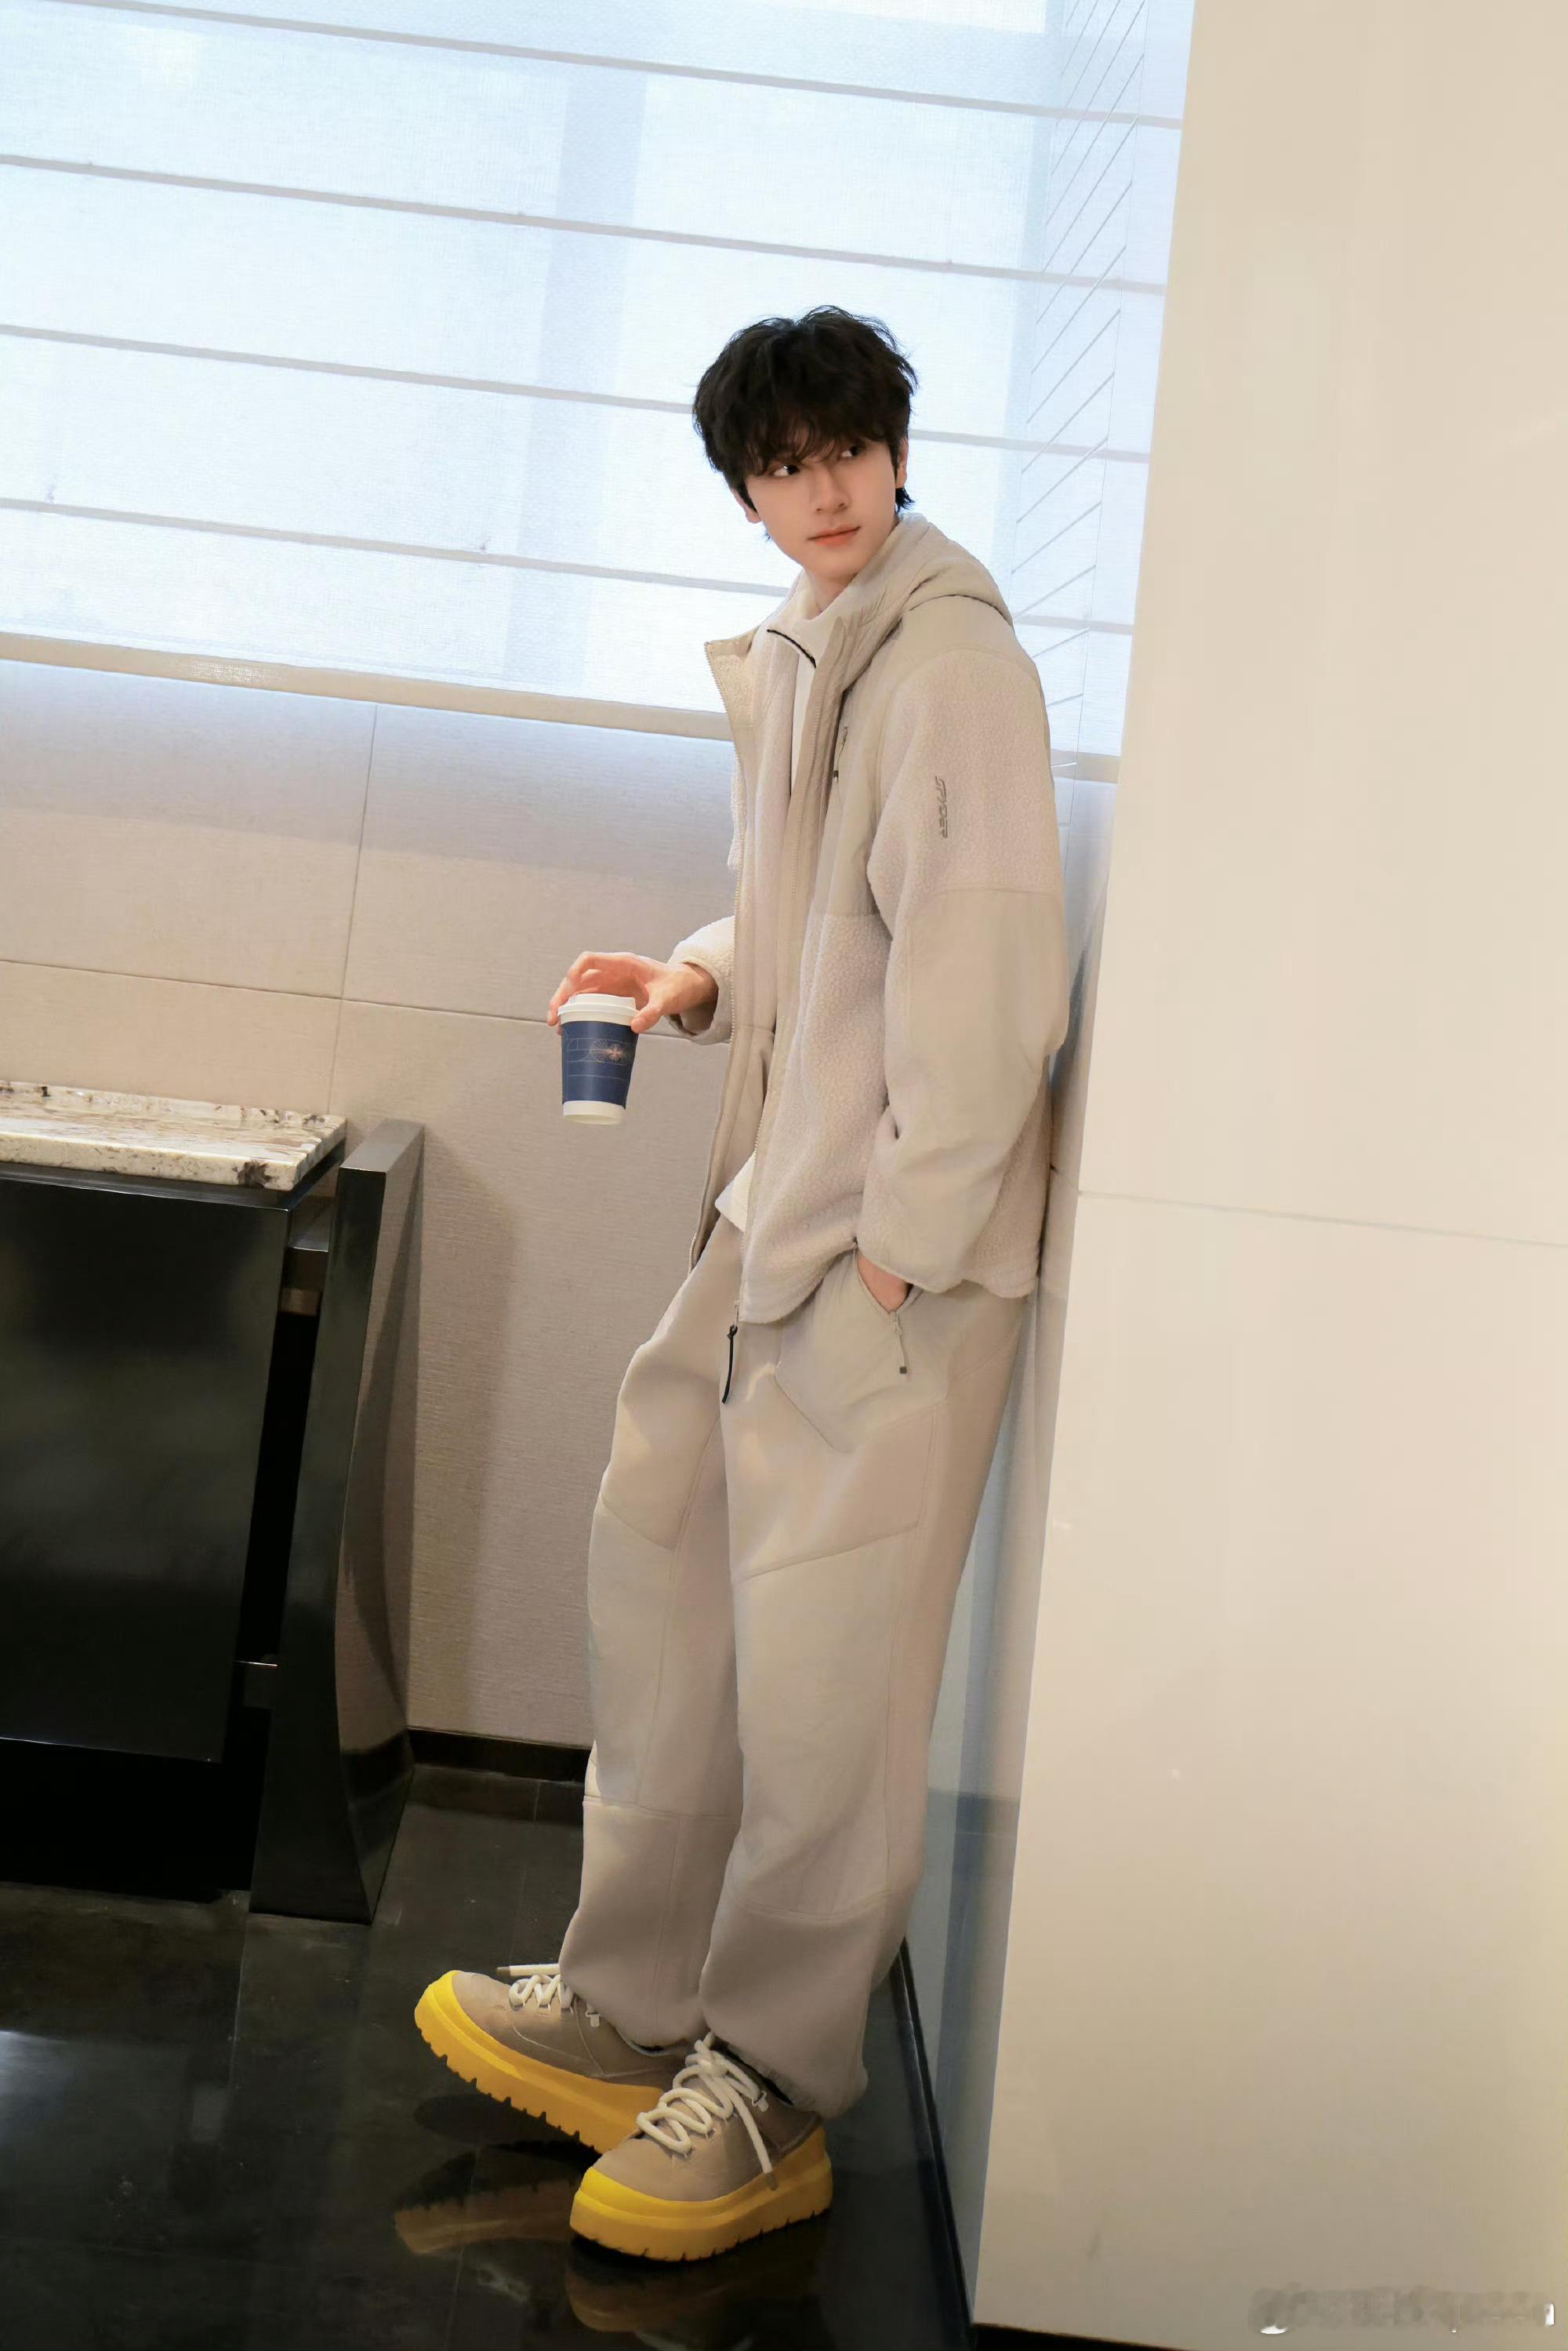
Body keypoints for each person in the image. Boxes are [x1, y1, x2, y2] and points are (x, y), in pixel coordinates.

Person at [415, 304, 1072, 2264]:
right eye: (783, 465)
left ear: (896, 444)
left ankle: (772, 2080)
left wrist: (900, 1252)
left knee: (827, 1686)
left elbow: (985, 978)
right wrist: (695, 971)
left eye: (847, 446)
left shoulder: (949, 665)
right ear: (745, 492)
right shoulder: (816, 646)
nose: (824, 487)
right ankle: (634, 2003)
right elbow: (817, 913)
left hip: (883, 1259)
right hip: (775, 1216)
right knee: (668, 1581)